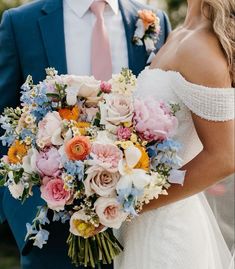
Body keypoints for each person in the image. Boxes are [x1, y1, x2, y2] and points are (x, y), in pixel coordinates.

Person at [0, 0, 171, 268]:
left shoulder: (154, 23)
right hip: (51, 238)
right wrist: (22, 221)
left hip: (139, 235)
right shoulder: (21, 23)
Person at [114, 0, 235, 268]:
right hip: (141, 227)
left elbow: (224, 157)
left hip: (168, 232)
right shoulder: (181, 32)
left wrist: (131, 203)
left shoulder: (202, 45)